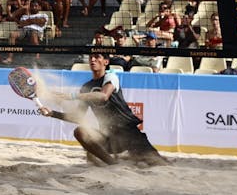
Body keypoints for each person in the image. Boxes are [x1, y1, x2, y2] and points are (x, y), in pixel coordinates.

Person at [38, 51, 168, 167]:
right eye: (91, 57)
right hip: (109, 138)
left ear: (106, 61)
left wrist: (71, 96)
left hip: (129, 135)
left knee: (158, 164)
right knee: (80, 132)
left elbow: (103, 96)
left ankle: (137, 158)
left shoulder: (111, 77)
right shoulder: (86, 87)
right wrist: (52, 113)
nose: (92, 60)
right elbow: (78, 118)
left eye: (97, 57)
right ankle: (113, 164)